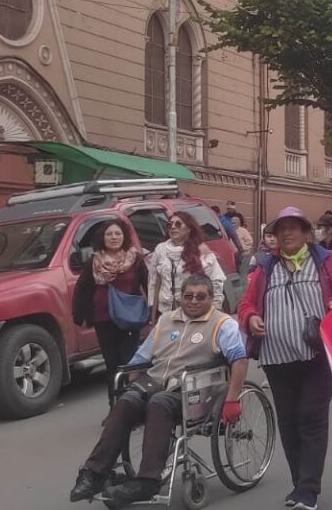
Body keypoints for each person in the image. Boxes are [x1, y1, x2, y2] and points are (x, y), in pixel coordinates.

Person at [69, 274, 246, 508]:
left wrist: (232, 399)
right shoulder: (166, 321)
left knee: (159, 403)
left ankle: (148, 480)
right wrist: (132, 386)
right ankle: (94, 473)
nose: (193, 301)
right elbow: (141, 358)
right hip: (157, 381)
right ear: (180, 298)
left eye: (200, 297)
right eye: (188, 296)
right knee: (126, 402)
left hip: (194, 388)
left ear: (211, 298)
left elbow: (239, 361)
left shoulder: (223, 324)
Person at [240, 207, 332, 510]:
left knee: (311, 418)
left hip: (318, 355)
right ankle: (298, 487)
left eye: (294, 228)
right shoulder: (265, 268)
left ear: (306, 233)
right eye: (282, 229)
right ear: (275, 237)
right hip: (277, 359)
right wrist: (251, 318)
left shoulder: (326, 262)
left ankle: (308, 490)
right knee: (289, 422)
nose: (288, 233)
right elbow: (246, 305)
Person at [71, 220, 149, 402]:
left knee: (127, 362)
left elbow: (148, 285)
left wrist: (155, 311)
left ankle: (130, 403)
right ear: (102, 238)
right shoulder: (94, 261)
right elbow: (82, 287)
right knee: (111, 363)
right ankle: (114, 405)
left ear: (124, 237)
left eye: (118, 233)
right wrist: (79, 315)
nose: (114, 237)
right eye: (109, 234)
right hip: (103, 319)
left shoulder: (135, 259)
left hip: (129, 319)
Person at [147, 211, 225, 319]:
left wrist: (214, 308)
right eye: (170, 224)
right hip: (166, 312)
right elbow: (153, 280)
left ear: (189, 229)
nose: (173, 227)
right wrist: (152, 306)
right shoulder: (160, 249)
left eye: (178, 224)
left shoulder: (201, 250)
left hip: (193, 311)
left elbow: (216, 281)